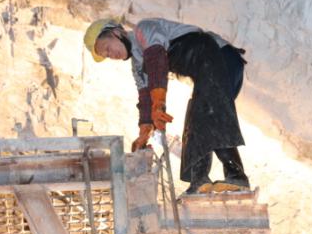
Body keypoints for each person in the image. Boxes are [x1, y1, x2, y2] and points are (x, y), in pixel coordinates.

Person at [84, 17, 250, 194]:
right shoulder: (138, 64)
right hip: (206, 65)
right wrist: (144, 132)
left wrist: (159, 101)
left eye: (107, 48)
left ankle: (235, 177)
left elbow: (156, 57)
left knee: (208, 112)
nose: (111, 55)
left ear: (116, 32)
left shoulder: (143, 30)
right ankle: (200, 180)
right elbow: (145, 97)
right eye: (107, 56)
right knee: (199, 118)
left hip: (220, 55)